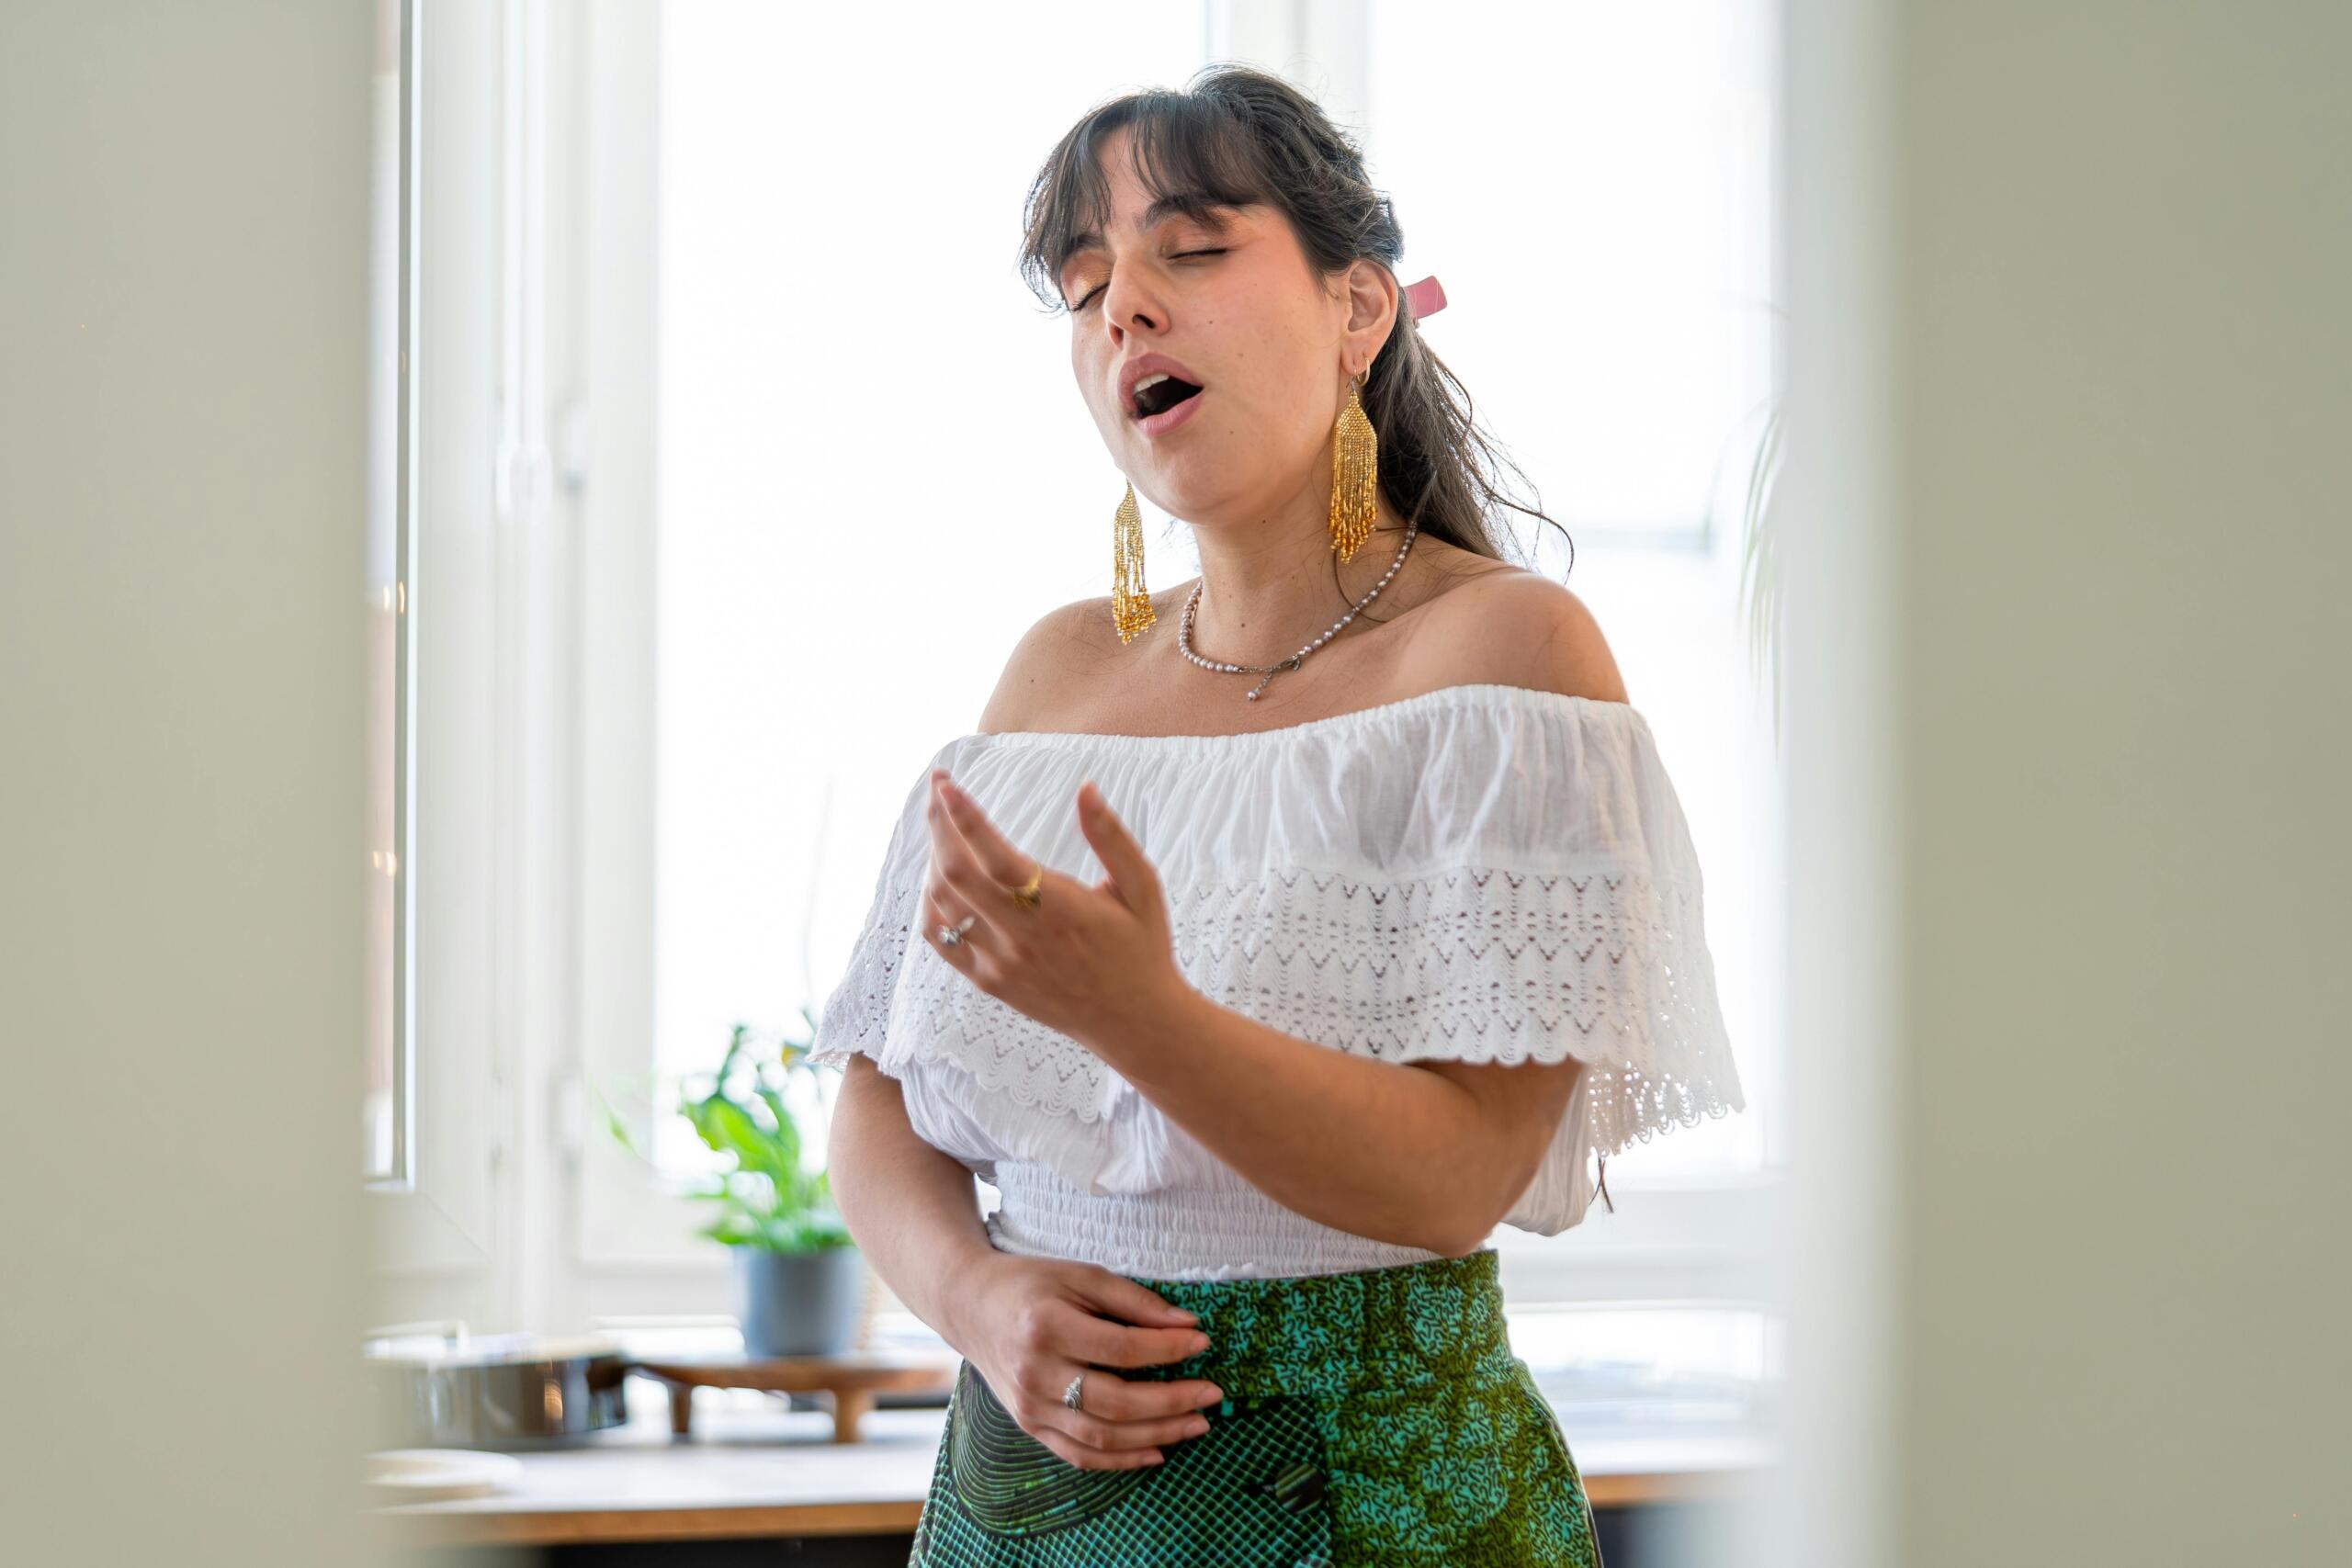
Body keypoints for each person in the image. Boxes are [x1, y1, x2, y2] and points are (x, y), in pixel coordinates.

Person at [809, 63, 1744, 1568]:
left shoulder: (1506, 655)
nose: (1126, 307)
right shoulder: (1049, 676)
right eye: (1086, 279)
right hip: (1017, 1503)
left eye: (1192, 248)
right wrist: (976, 1301)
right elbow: (877, 1090)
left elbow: (1455, 1183)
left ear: (1359, 309)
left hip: (1369, 1501)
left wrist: (1136, 1012)